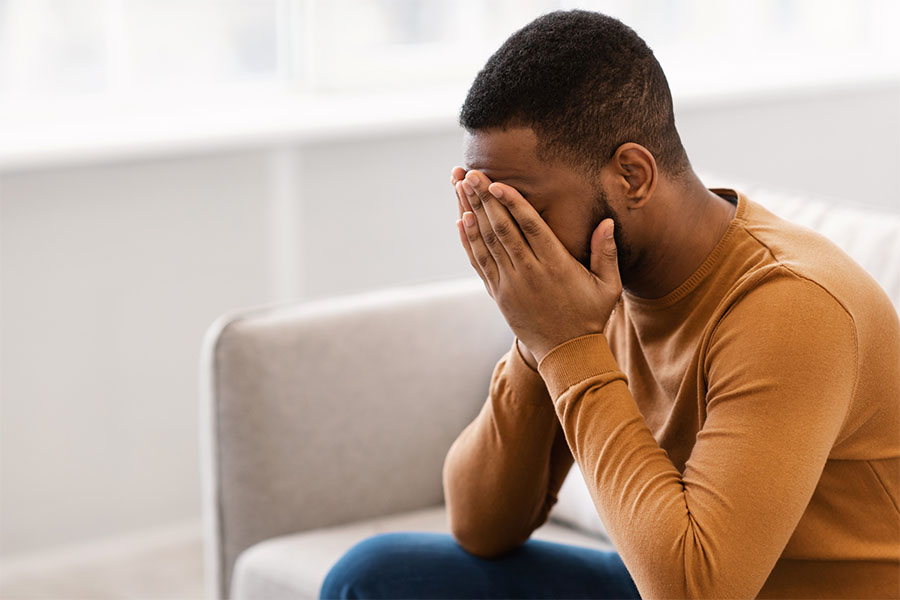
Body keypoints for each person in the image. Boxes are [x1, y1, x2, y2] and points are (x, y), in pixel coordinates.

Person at [320, 9, 900, 599]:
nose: (510, 243)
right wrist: (536, 342)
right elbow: (480, 526)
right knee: (374, 577)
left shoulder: (793, 305)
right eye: (490, 212)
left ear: (632, 176)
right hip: (654, 578)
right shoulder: (590, 279)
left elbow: (694, 590)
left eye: (526, 214)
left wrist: (569, 346)